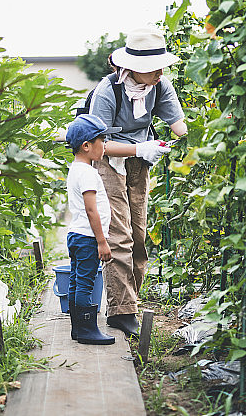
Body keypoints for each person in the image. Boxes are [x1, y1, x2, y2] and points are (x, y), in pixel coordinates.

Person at [89, 26, 188, 336]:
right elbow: (97, 145)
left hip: (139, 163)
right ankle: (121, 310)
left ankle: (128, 301)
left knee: (139, 234)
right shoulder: (109, 91)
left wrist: (206, 143)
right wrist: (138, 147)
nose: (158, 72)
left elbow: (179, 126)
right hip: (108, 162)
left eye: (160, 66)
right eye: (151, 68)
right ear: (132, 66)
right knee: (119, 235)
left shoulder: (160, 86)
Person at [64, 114, 122, 345]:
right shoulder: (88, 172)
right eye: (102, 140)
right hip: (88, 238)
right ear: (87, 145)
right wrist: (102, 241)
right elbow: (91, 210)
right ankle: (87, 329)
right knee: (86, 283)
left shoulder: (76, 168)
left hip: (76, 235)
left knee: (76, 281)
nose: (105, 145)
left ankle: (78, 329)